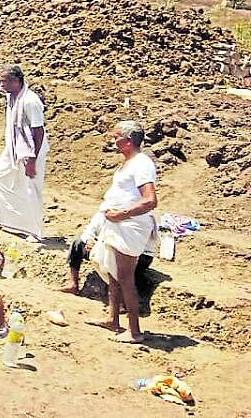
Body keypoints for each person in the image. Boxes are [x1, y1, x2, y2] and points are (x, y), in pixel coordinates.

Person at [82, 121, 159, 344]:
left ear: (127, 140)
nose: (113, 141)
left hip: (129, 225)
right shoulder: (128, 163)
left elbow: (150, 200)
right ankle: (112, 319)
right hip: (116, 224)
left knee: (125, 278)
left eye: (116, 137)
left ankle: (134, 331)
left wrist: (123, 214)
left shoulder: (142, 163)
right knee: (114, 274)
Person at [0, 64, 49, 242]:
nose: (0, 84)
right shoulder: (11, 96)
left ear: (16, 81)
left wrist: (33, 160)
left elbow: (38, 132)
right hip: (14, 147)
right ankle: (2, 219)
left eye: (4, 81)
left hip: (30, 150)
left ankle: (34, 231)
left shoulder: (30, 101)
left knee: (31, 188)